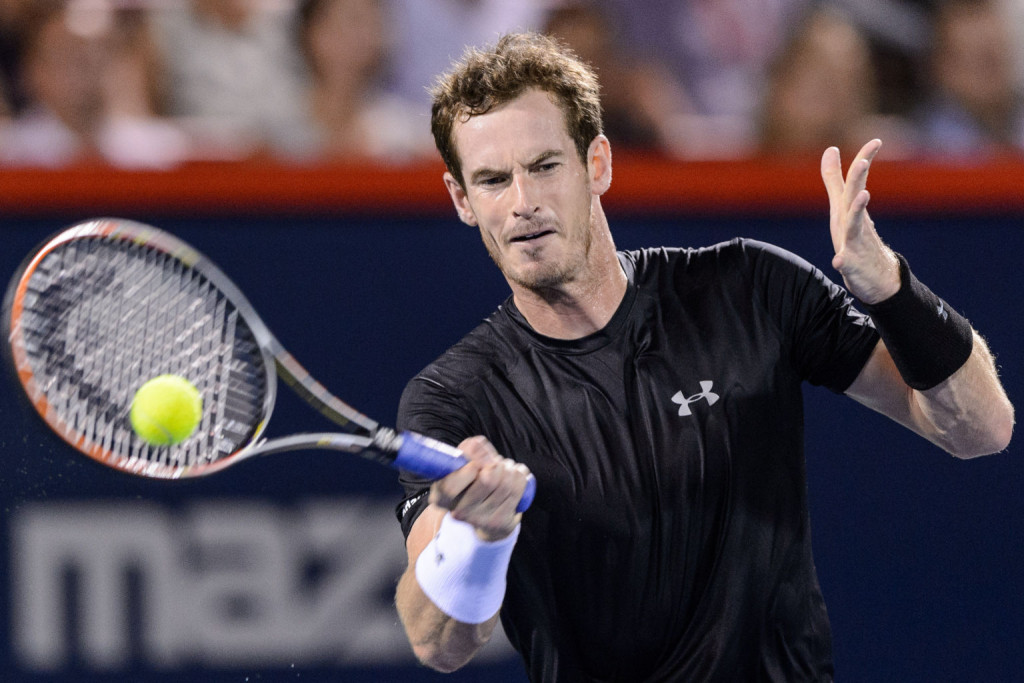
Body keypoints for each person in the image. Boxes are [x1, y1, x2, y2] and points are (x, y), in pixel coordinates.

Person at [393, 32, 1014, 681]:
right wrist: (476, 538)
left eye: (545, 166)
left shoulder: (749, 286)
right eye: (493, 179)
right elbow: (437, 642)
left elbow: (979, 426)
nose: (522, 202)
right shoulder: (453, 397)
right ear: (462, 199)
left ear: (597, 163)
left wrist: (890, 285)